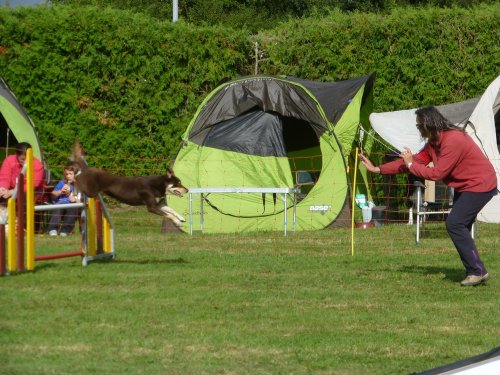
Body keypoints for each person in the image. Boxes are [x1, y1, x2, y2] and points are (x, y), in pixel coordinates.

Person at [359, 106, 497, 287]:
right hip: (465, 186)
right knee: (460, 226)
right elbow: (414, 162)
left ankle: (476, 271)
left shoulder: (453, 140)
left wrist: (410, 164)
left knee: (455, 224)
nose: (418, 129)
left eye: (419, 126)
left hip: (480, 184)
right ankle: (476, 270)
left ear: (429, 124)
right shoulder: (433, 143)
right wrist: (378, 169)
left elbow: (436, 174)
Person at [47, 162, 81, 236]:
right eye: (66, 174)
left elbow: (85, 201)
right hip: (61, 203)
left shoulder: (81, 186)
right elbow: (53, 194)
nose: (68, 176)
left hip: (72, 205)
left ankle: (65, 230)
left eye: (70, 174)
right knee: (57, 208)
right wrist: (60, 191)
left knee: (72, 210)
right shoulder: (62, 183)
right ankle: (53, 229)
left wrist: (75, 200)